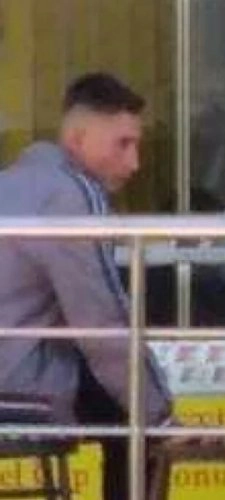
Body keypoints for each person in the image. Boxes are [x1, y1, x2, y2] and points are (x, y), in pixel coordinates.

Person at [0, 73, 173, 499]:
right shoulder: (72, 194)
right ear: (77, 139)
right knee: (135, 413)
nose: (135, 163)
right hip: (15, 386)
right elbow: (101, 319)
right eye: (122, 144)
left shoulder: (11, 183)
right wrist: (161, 414)